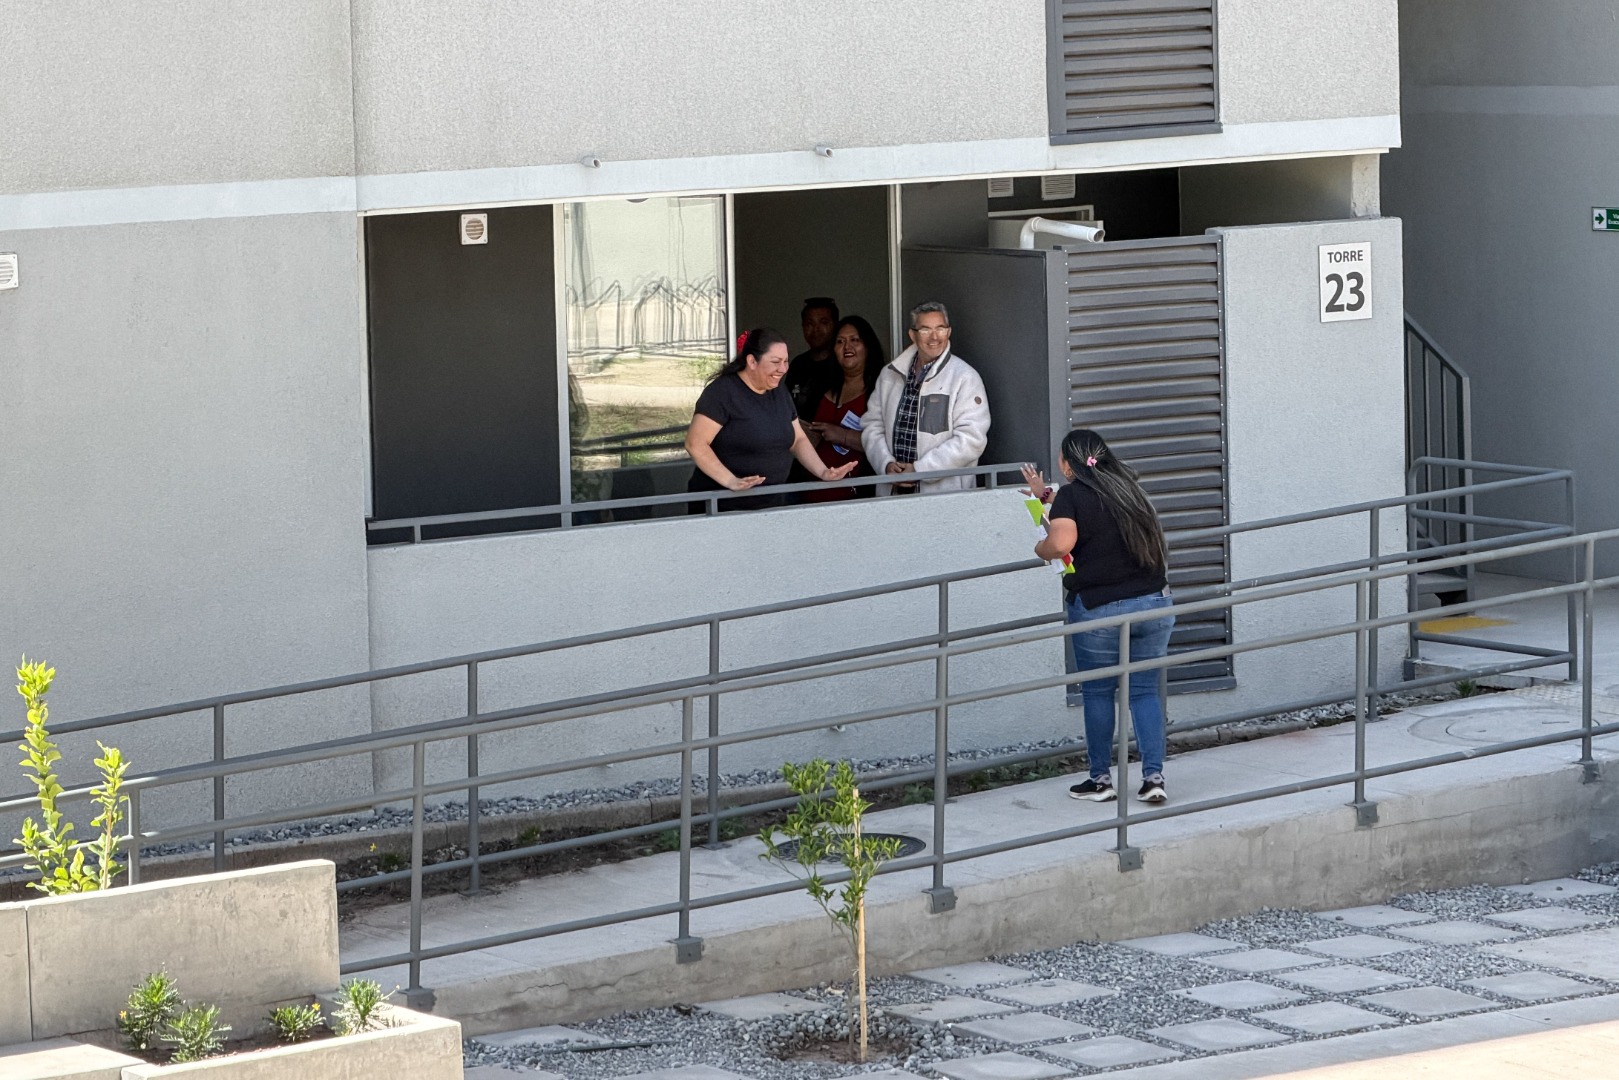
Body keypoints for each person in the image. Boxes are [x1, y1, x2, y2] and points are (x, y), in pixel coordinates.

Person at [1025, 429, 1175, 804]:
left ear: (1067, 464)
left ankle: (1100, 780)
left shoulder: (1074, 496)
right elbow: (1090, 516)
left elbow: (1060, 543)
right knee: (1144, 690)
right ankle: (1153, 778)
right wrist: (1043, 495)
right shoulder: (1128, 490)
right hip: (1155, 603)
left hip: (1101, 609)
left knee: (1097, 692)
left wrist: (1040, 547)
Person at [686, 327, 858, 511]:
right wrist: (731, 481)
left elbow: (798, 439)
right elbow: (695, 444)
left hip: (770, 505)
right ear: (752, 361)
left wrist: (823, 472)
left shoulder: (779, 392)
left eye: (785, 361)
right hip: (723, 507)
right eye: (776, 362)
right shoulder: (722, 392)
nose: (783, 369)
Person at [861, 301, 990, 494]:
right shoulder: (889, 374)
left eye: (940, 328)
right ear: (912, 335)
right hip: (893, 492)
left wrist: (920, 470)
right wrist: (886, 465)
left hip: (945, 497)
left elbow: (971, 439)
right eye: (925, 329)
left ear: (949, 332)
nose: (934, 337)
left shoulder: (965, 377)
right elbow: (872, 426)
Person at [801, 315, 883, 503]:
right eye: (840, 342)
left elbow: (888, 444)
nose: (847, 347)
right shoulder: (820, 387)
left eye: (855, 340)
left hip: (856, 497)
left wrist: (844, 436)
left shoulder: (880, 390)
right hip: (811, 493)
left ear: (868, 346)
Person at [785, 296, 840, 421]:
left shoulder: (842, 363)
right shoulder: (798, 365)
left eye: (824, 323)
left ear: (835, 325)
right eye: (810, 323)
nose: (816, 330)